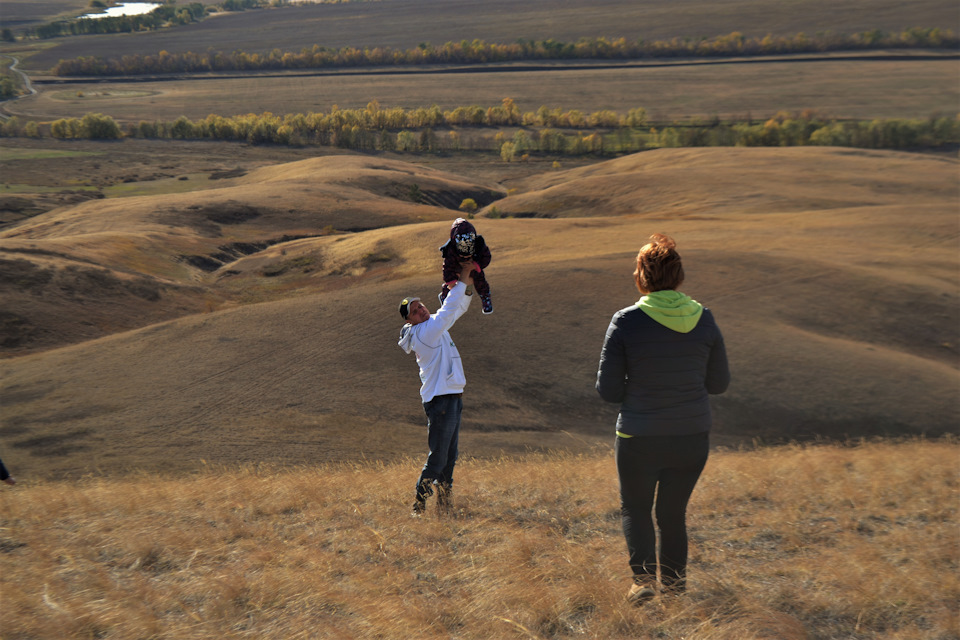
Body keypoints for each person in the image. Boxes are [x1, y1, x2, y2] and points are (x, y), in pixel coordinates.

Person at [596, 233, 730, 604]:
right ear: (679, 276)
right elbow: (719, 384)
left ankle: (642, 584)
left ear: (641, 276)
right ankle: (674, 588)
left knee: (636, 508)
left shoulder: (625, 322)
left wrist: (641, 393)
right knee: (672, 514)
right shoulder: (704, 319)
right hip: (692, 435)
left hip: (639, 435)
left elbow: (607, 391)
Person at [398, 260, 476, 516]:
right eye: (414, 310)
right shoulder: (423, 333)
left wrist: (467, 288)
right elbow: (448, 311)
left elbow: (453, 312)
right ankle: (418, 505)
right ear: (410, 321)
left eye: (421, 305)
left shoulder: (433, 327)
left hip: (451, 397)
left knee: (449, 457)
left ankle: (444, 505)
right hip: (441, 401)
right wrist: (463, 277)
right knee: (439, 458)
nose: (421, 310)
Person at [438, 217, 493, 315]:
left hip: (474, 267)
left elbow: (486, 257)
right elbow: (447, 267)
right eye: (463, 254)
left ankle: (486, 298)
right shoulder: (450, 249)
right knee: (451, 286)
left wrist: (475, 265)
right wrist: (451, 281)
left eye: (468, 254)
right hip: (457, 269)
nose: (466, 256)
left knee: (481, 282)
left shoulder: (479, 244)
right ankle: (445, 296)